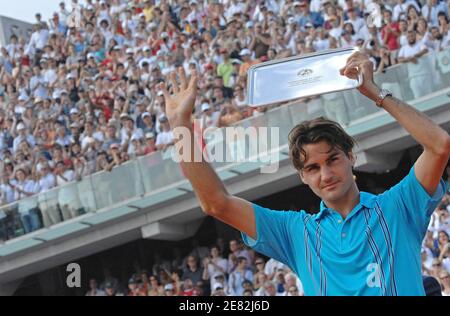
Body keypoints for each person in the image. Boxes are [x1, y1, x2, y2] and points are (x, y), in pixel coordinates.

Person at [160, 50, 450, 295]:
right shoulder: (295, 232)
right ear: (302, 177)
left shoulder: (397, 208)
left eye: (333, 159)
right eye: (312, 168)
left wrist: (374, 92)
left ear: (351, 157)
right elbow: (215, 203)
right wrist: (181, 126)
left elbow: (439, 145)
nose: (325, 174)